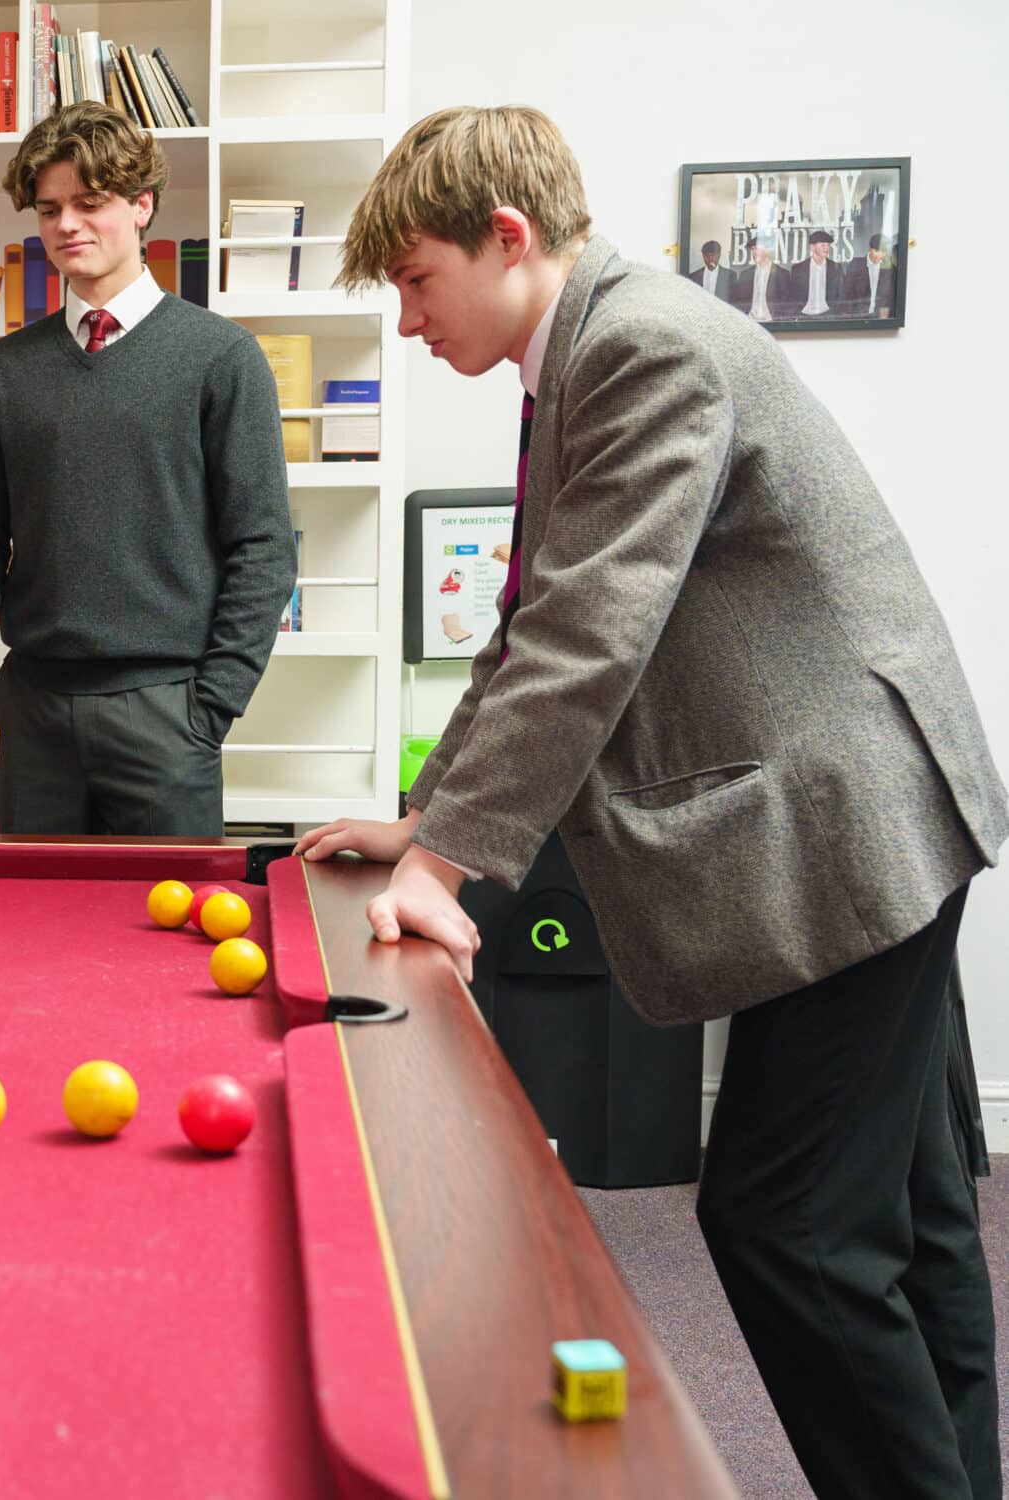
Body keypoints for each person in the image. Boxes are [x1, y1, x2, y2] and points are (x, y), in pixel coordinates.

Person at [294, 105, 1006, 1500]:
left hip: (847, 826)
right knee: (909, 1230)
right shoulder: (582, 360)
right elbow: (527, 627)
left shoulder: (644, 346)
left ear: (509, 240)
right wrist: (425, 822)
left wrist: (447, 873)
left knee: (790, 1226)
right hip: (863, 806)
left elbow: (589, 635)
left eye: (419, 280)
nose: (410, 317)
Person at [0, 102, 294, 835]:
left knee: (167, 943)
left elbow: (263, 549)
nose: (66, 224)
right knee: (35, 939)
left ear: (142, 206)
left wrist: (209, 710)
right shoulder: (5, 370)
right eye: (48, 209)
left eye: (88, 203)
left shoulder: (222, 358)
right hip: (31, 713)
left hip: (167, 711)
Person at [843, 231, 899, 318]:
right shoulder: (855, 264)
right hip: (858, 317)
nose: (879, 255)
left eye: (883, 251)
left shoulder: (890, 269)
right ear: (870, 249)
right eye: (876, 251)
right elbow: (847, 294)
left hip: (879, 318)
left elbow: (890, 298)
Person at [795, 227, 842, 317]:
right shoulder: (798, 269)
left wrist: (835, 313)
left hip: (827, 314)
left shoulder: (836, 268)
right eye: (823, 245)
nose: (826, 248)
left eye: (828, 245)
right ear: (812, 247)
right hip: (804, 314)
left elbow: (840, 295)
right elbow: (792, 297)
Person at [684, 238, 733, 302]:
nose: (710, 259)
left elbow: (733, 301)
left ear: (719, 255)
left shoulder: (730, 275)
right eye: (707, 256)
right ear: (703, 256)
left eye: (713, 255)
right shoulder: (693, 277)